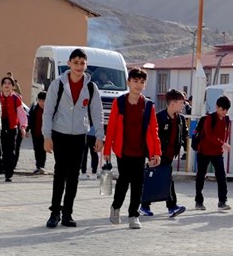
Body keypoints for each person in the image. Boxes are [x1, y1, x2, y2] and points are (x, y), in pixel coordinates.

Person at [42, 48, 105, 228]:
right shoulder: (58, 84)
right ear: (69, 63)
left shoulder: (91, 87)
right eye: (75, 62)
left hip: (79, 135)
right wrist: (47, 136)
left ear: (86, 65)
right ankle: (54, 213)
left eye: (82, 63)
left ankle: (68, 214)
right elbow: (47, 112)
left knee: (74, 176)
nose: (79, 66)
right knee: (60, 173)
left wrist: (100, 136)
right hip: (59, 134)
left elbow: (97, 113)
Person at [102, 68, 161, 229]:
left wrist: (156, 152)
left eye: (142, 82)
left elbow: (154, 130)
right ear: (128, 82)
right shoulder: (119, 102)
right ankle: (116, 207)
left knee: (138, 183)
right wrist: (106, 150)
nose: (138, 85)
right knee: (123, 181)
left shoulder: (148, 105)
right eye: (135, 81)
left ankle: (133, 215)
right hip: (123, 150)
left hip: (141, 150)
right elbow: (112, 127)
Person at [140, 89, 188, 218]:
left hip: (169, 155)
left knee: (165, 180)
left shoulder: (180, 119)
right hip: (157, 155)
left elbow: (183, 135)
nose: (184, 105)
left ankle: (169, 206)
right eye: (181, 102)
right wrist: (151, 155)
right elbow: (151, 136)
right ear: (172, 103)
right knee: (154, 180)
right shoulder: (159, 117)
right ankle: (148, 206)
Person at [193, 96, 232, 211]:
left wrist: (222, 143)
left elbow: (226, 135)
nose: (224, 112)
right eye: (222, 109)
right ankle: (198, 202)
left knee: (221, 177)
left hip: (217, 152)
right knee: (201, 176)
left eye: (226, 110)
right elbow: (209, 135)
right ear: (217, 107)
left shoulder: (227, 120)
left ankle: (222, 202)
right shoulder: (210, 118)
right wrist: (222, 143)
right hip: (204, 151)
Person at [0, 76, 24, 182]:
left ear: (13, 86)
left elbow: (21, 114)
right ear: (1, 85)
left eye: (9, 83)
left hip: (12, 126)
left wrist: (23, 127)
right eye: (5, 83)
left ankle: (8, 174)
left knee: (10, 151)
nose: (7, 85)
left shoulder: (16, 98)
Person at [28, 91, 47, 174]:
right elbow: (30, 120)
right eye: (40, 101)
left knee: (43, 150)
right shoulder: (34, 109)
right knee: (37, 150)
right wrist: (27, 129)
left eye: (43, 101)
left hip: (45, 134)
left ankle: (42, 166)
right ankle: (38, 166)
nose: (41, 103)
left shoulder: (49, 110)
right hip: (35, 133)